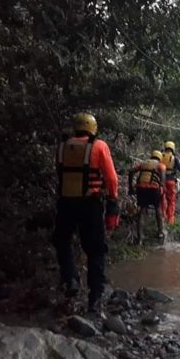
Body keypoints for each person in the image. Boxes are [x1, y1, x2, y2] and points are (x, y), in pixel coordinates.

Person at [52, 113, 119, 312]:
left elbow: (59, 172)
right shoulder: (99, 146)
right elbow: (112, 179)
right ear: (93, 128)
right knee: (95, 250)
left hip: (65, 203)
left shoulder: (62, 146)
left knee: (61, 240)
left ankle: (71, 278)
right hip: (90, 204)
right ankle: (95, 299)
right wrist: (113, 199)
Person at [128, 150, 166, 244]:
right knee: (157, 208)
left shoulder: (143, 163)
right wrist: (162, 189)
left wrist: (130, 188)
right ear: (160, 158)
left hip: (141, 189)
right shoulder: (160, 165)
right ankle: (160, 233)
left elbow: (131, 172)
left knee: (142, 210)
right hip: (154, 189)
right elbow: (162, 180)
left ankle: (140, 238)